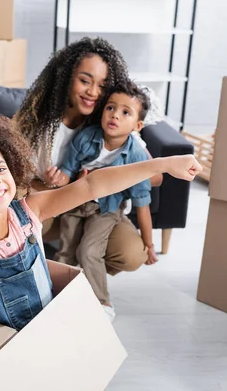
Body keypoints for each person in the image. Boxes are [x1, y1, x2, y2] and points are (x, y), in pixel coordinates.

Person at [0, 112, 202, 374]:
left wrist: (165, 164)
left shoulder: (28, 212)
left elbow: (92, 185)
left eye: (0, 170)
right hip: (4, 350)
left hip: (51, 330)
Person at [13, 37, 162, 318]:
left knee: (130, 253)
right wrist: (55, 183)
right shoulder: (39, 117)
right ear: (67, 77)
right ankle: (46, 288)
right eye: (85, 80)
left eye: (102, 86)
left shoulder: (111, 122)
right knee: (28, 227)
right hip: (51, 205)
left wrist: (102, 178)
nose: (93, 92)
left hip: (101, 208)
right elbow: (14, 174)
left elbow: (154, 178)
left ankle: (92, 289)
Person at [52, 80, 157, 322]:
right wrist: (57, 179)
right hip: (76, 201)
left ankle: (102, 302)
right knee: (65, 253)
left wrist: (149, 244)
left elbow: (143, 205)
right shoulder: (86, 138)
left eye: (125, 112)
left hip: (106, 209)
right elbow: (66, 173)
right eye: (110, 108)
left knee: (89, 250)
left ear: (137, 125)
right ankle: (58, 300)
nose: (115, 116)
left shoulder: (137, 156)